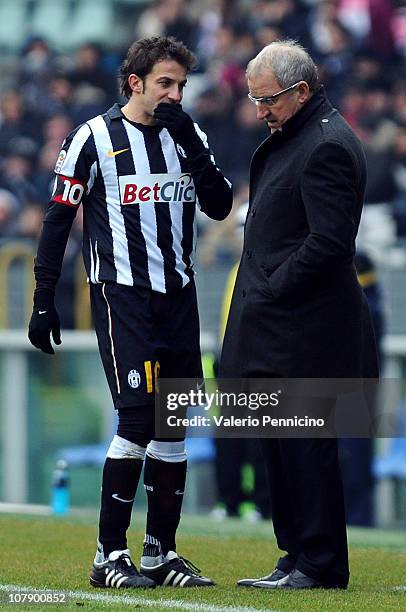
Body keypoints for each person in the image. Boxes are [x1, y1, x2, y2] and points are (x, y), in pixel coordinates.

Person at [28, 36, 232, 589]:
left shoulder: (187, 136)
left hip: (179, 297)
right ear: (135, 82)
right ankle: (107, 555)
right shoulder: (92, 138)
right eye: (165, 83)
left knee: (173, 427)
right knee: (139, 418)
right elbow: (55, 221)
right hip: (124, 298)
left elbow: (219, 205)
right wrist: (43, 298)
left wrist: (189, 137)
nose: (175, 94)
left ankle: (160, 553)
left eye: (182, 85)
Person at [220, 40, 378, 590]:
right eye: (254, 100)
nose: (259, 111)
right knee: (281, 449)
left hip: (308, 330)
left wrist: (271, 288)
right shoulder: (297, 135)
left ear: (301, 91)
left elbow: (331, 242)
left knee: (306, 451)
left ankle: (320, 562)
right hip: (280, 329)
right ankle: (295, 555)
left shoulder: (327, 144)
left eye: (267, 100)